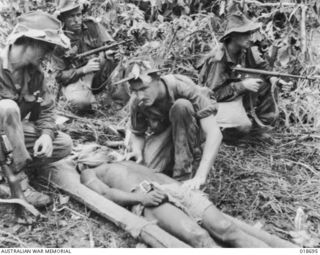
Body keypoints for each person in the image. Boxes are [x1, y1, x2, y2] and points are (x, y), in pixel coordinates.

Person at [80, 160, 270, 248]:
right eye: (91, 147)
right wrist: (141, 199)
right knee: (199, 237)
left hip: (174, 188)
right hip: (145, 195)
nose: (97, 147)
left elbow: (158, 174)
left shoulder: (122, 159)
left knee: (226, 228)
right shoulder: (89, 171)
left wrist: (184, 191)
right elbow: (104, 194)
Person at [0, 11, 73, 207]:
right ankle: (19, 182)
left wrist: (47, 135)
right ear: (31, 42)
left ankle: (11, 169)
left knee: (64, 144)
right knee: (7, 107)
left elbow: (47, 110)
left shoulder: (36, 75)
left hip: (11, 139)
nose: (48, 54)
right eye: (47, 47)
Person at [116, 59, 222, 190]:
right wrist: (137, 151)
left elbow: (214, 133)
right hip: (166, 133)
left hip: (193, 131)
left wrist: (201, 175)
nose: (140, 95)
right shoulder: (137, 101)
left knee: (181, 107)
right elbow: (138, 133)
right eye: (135, 90)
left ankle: (182, 177)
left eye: (144, 88)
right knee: (147, 171)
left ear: (158, 79)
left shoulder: (183, 87)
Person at [199, 12, 291, 138]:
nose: (250, 37)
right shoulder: (219, 60)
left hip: (234, 95)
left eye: (249, 32)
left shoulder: (246, 49)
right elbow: (211, 95)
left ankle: (260, 127)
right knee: (243, 126)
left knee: (265, 83)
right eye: (245, 33)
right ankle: (223, 133)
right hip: (216, 102)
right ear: (233, 36)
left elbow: (262, 68)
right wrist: (242, 85)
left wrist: (275, 79)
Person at [53, 0, 129, 112]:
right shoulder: (58, 41)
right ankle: (86, 100)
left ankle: (118, 103)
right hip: (75, 79)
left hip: (98, 71)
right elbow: (59, 76)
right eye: (71, 16)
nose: (76, 20)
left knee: (119, 62)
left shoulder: (92, 25)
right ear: (63, 19)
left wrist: (111, 53)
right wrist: (83, 70)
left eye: (78, 15)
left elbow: (111, 45)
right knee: (80, 104)